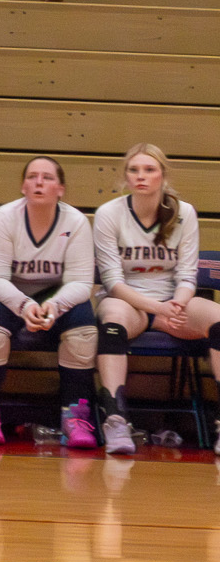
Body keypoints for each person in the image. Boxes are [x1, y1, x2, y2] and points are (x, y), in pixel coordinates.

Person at [92, 143, 218, 456]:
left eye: (149, 170)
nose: (141, 176)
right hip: (128, 302)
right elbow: (113, 282)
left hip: (173, 301)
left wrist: (177, 303)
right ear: (126, 176)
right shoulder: (109, 214)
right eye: (134, 170)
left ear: (162, 175)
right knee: (111, 323)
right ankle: (116, 420)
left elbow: (188, 275)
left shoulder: (183, 212)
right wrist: (157, 308)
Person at [0, 157, 97, 449]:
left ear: (61, 188)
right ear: (23, 186)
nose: (39, 182)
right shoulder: (3, 218)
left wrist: (57, 306)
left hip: (53, 295)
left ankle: (76, 416)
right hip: (2, 291)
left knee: (83, 327)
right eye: (32, 177)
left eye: (47, 177)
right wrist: (25, 306)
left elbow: (81, 283)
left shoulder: (75, 222)